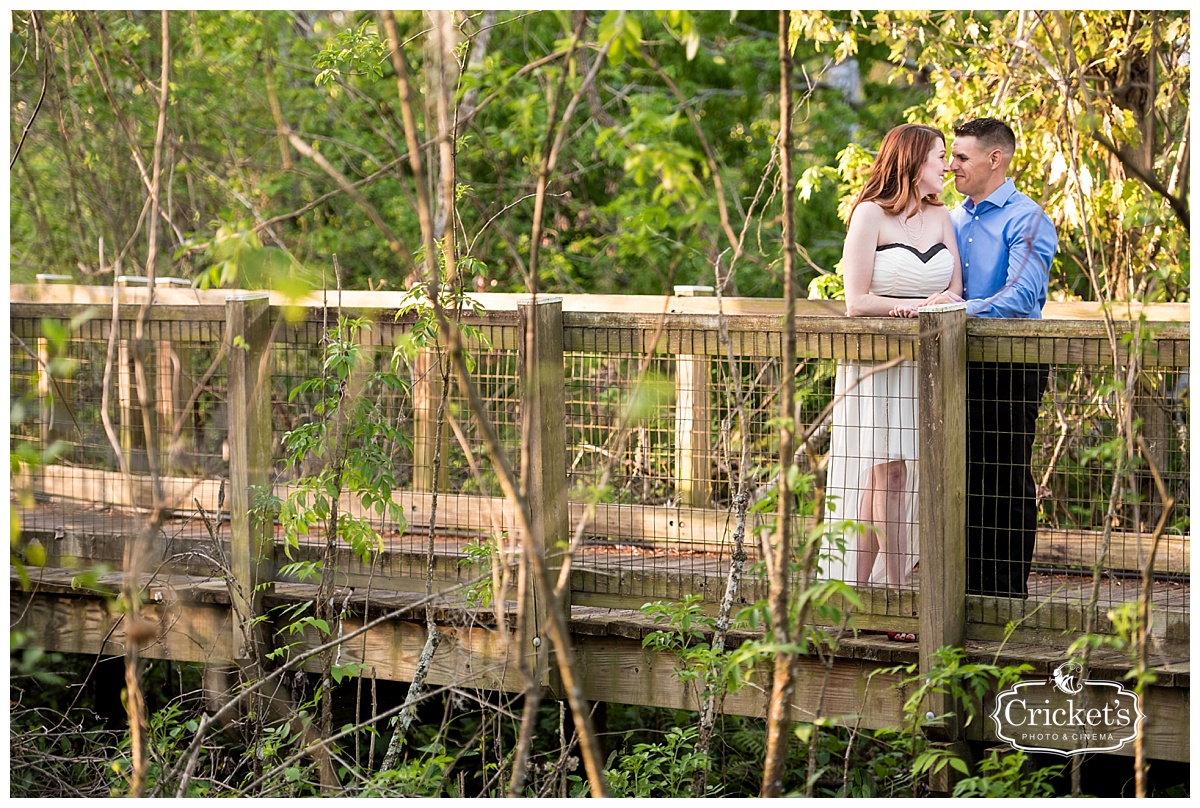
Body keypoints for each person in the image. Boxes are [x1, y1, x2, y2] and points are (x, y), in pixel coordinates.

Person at [824, 124, 963, 587]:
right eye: (940, 156)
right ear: (913, 161)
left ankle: (860, 591)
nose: (948, 165)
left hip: (924, 364)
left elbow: (954, 290)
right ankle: (900, 592)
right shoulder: (869, 215)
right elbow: (855, 301)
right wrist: (909, 309)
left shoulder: (942, 217)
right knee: (891, 475)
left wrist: (935, 305)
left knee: (884, 478)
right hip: (878, 363)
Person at [947, 118, 1057, 598]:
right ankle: (966, 588)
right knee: (958, 473)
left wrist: (953, 310)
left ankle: (1006, 595)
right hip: (955, 362)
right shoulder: (951, 218)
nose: (952, 165)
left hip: (1013, 363)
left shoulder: (1028, 218)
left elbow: (1019, 295)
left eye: (961, 157)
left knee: (1005, 474)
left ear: (996, 159)